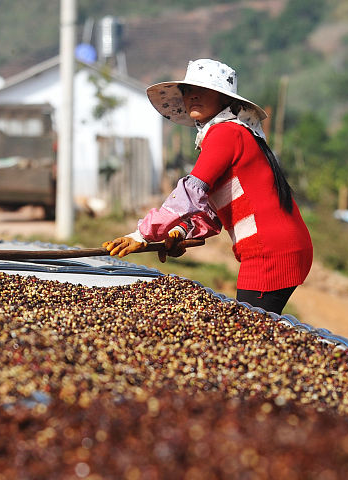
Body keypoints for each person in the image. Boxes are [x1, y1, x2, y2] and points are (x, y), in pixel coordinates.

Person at [103, 59, 312, 316]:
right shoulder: (230, 135)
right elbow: (212, 214)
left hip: (270, 251)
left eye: (203, 90)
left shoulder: (226, 133)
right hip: (280, 247)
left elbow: (191, 192)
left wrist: (143, 235)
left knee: (250, 330)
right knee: (254, 330)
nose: (193, 97)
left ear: (224, 100)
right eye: (188, 91)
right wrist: (179, 232)